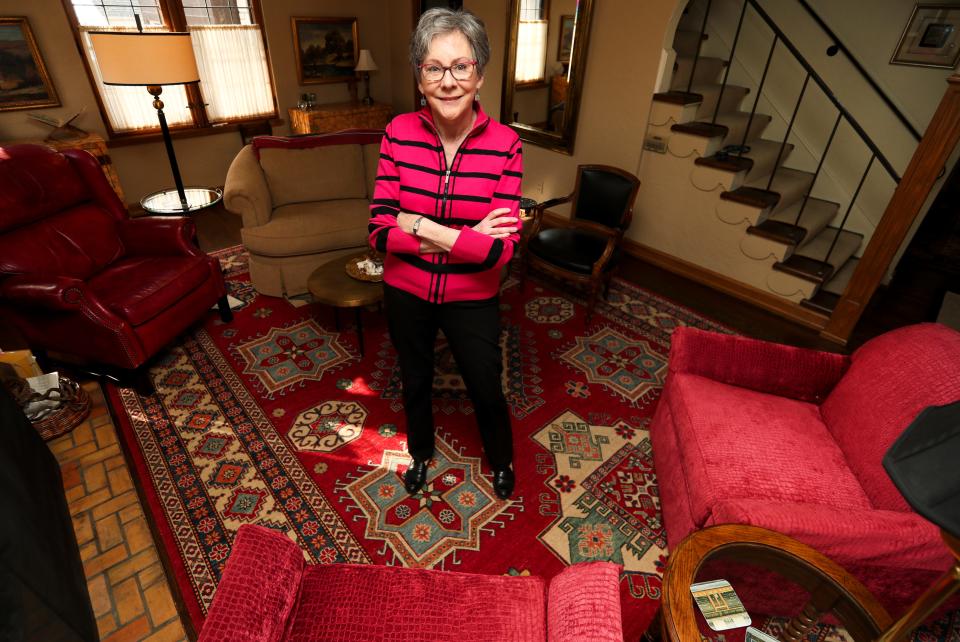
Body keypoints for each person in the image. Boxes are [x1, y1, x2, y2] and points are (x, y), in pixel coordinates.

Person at [368, 8, 522, 500]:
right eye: (434, 68)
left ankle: (501, 459)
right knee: (414, 379)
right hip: (405, 291)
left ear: (480, 73)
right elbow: (377, 232)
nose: (448, 81)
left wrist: (419, 225)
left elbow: (498, 253)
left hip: (472, 297)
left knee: (485, 383)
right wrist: (464, 234)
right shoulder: (397, 134)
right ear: (420, 77)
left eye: (461, 66)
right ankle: (419, 453)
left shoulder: (507, 146)